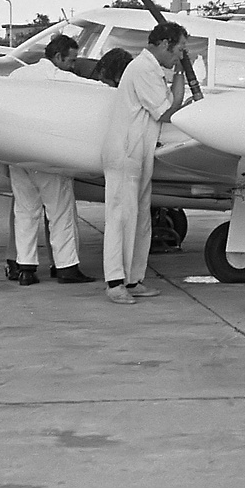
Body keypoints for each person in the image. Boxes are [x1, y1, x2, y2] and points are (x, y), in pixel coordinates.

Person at [100, 22, 187, 305]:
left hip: (139, 151)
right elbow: (166, 111)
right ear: (165, 44)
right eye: (180, 50)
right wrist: (182, 75)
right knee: (121, 217)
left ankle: (133, 279)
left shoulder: (152, 69)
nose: (180, 56)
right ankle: (115, 283)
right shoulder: (143, 68)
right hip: (126, 151)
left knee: (140, 217)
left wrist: (177, 73)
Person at [4, 36, 95, 286]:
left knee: (24, 212)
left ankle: (26, 268)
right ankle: (66, 266)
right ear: (58, 58)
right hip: (47, 156)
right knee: (60, 213)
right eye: (72, 60)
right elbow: (100, 92)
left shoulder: (16, 77)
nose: (74, 66)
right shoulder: (61, 78)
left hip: (16, 155)